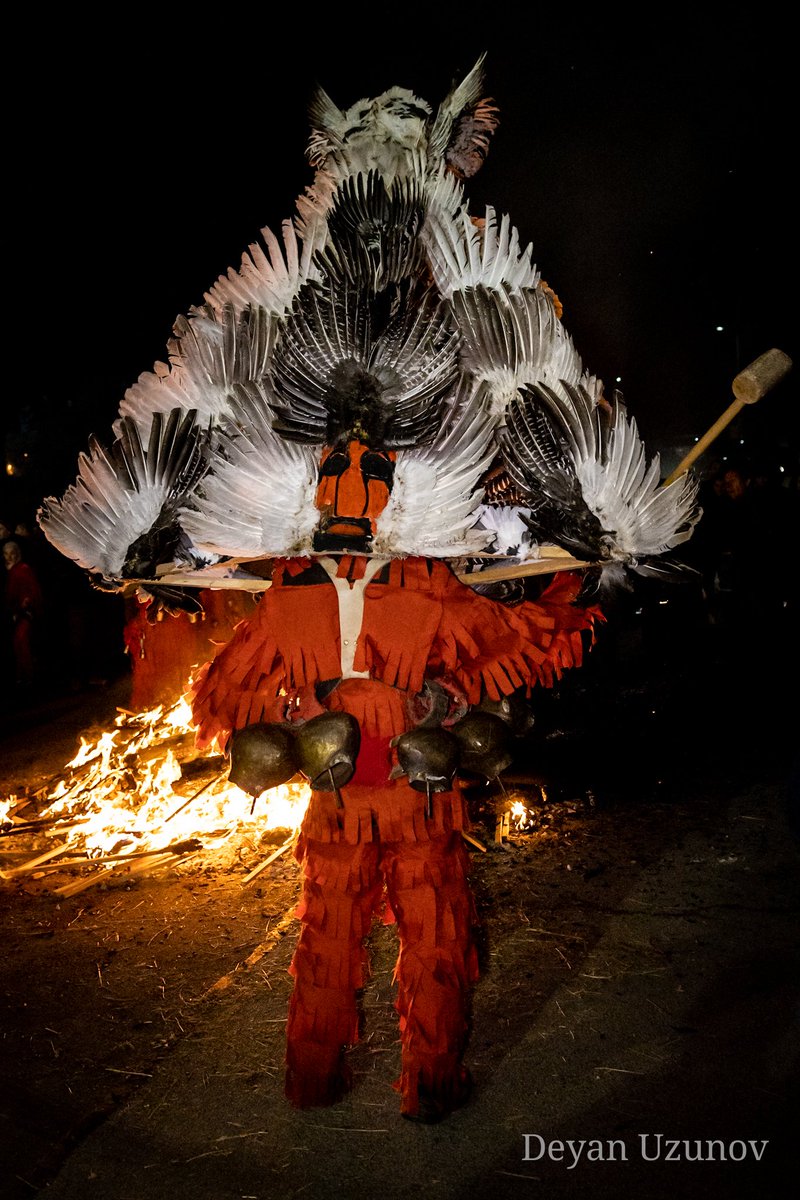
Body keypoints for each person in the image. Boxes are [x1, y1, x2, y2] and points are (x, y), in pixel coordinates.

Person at [191, 552, 601, 1122]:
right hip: (419, 795)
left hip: (341, 798)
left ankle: (314, 1079)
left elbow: (221, 693)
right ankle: (431, 1084)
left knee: (329, 933)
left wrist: (295, 702)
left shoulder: (291, 587)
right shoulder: (425, 579)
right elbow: (509, 641)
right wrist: (563, 598)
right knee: (433, 932)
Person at [2, 538, 45, 690]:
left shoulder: (23, 569)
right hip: (17, 615)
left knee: (22, 641)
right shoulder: (12, 572)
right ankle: (23, 677)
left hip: (27, 614)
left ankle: (29, 677)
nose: (9, 557)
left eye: (12, 553)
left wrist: (27, 603)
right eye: (6, 554)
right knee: (18, 643)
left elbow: (33, 592)